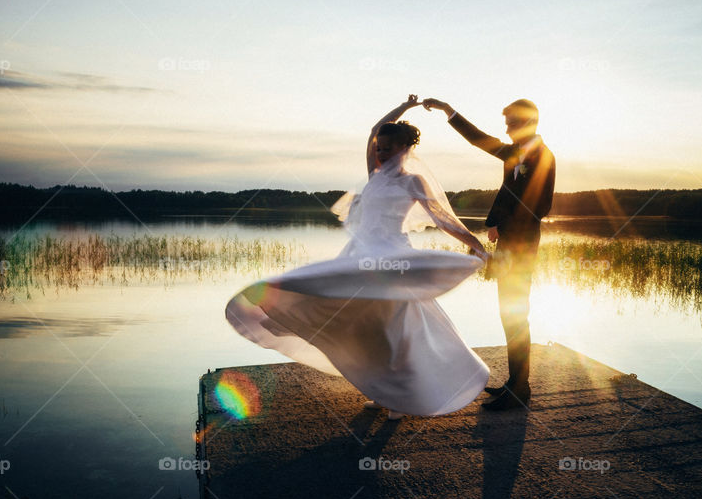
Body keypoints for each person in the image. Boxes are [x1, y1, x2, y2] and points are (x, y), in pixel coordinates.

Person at [225, 95, 490, 420]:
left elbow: (441, 218)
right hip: (360, 255)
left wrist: (473, 241)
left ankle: (400, 397)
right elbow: (373, 131)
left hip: (393, 259)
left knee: (395, 328)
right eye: (379, 149)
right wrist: (404, 107)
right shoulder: (374, 176)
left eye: (387, 149)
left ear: (404, 150)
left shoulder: (413, 181)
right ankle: (382, 392)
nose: (379, 153)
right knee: (365, 327)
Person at [423, 97, 555, 411]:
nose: (506, 128)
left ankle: (520, 390)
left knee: (515, 315)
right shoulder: (514, 153)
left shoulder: (542, 157)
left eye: (511, 123)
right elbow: (480, 139)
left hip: (520, 247)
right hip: (510, 244)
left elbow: (540, 206)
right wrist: (447, 110)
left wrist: (501, 226)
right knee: (510, 314)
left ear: (527, 123)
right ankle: (515, 383)